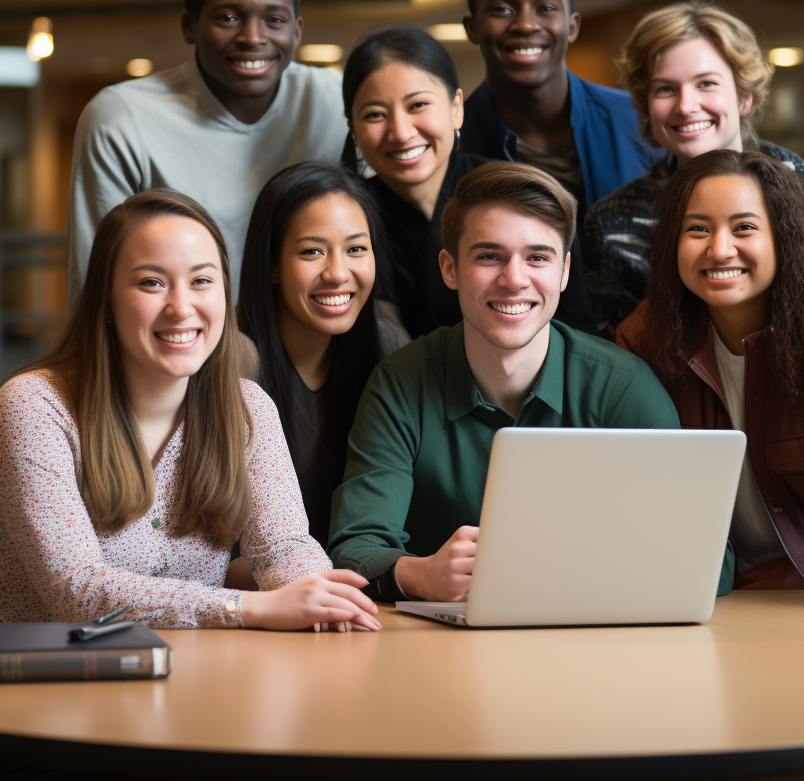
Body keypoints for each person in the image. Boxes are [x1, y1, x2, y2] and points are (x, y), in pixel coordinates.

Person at [328, 162, 725, 603]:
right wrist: (419, 575)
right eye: (489, 256)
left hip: (598, 645)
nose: (515, 279)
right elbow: (353, 549)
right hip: (442, 649)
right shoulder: (400, 386)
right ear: (450, 268)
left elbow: (712, 559)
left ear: (564, 272)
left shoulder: (623, 387)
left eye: (537, 257)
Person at [0, 190, 379, 631]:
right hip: (57, 682)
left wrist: (321, 598)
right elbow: (75, 591)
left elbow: (283, 547)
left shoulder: (246, 408)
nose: (181, 308)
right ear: (105, 297)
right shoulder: (34, 406)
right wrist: (244, 608)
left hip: (200, 674)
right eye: (151, 282)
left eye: (201, 281)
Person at [67, 0, 347, 302]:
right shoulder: (121, 117)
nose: (252, 36)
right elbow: (94, 282)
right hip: (180, 345)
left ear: (297, 32)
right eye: (228, 18)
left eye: (274, 20)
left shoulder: (335, 99)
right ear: (189, 26)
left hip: (309, 344)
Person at [617, 150, 804, 588]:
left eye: (744, 228)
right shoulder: (643, 339)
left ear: (783, 239)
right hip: (705, 589)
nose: (719, 250)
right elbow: (635, 498)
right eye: (698, 229)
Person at [583, 0, 804, 339]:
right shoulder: (610, 224)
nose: (685, 105)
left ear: (744, 97)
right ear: (644, 105)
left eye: (706, 83)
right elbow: (618, 358)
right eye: (665, 89)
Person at [342, 25, 595, 337]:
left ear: (456, 108)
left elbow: (577, 331)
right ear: (353, 127)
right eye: (375, 115)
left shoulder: (522, 198)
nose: (401, 132)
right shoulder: (344, 218)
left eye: (418, 105)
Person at [237, 162, 406, 548]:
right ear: (273, 264)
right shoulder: (228, 359)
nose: (337, 272)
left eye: (356, 249)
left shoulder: (388, 347)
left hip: (351, 587)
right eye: (312, 251)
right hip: (252, 595)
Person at [458, 0, 660, 213]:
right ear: (473, 28)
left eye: (546, 8)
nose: (526, 25)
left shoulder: (640, 122)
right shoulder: (449, 143)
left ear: (572, 26)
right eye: (502, 9)